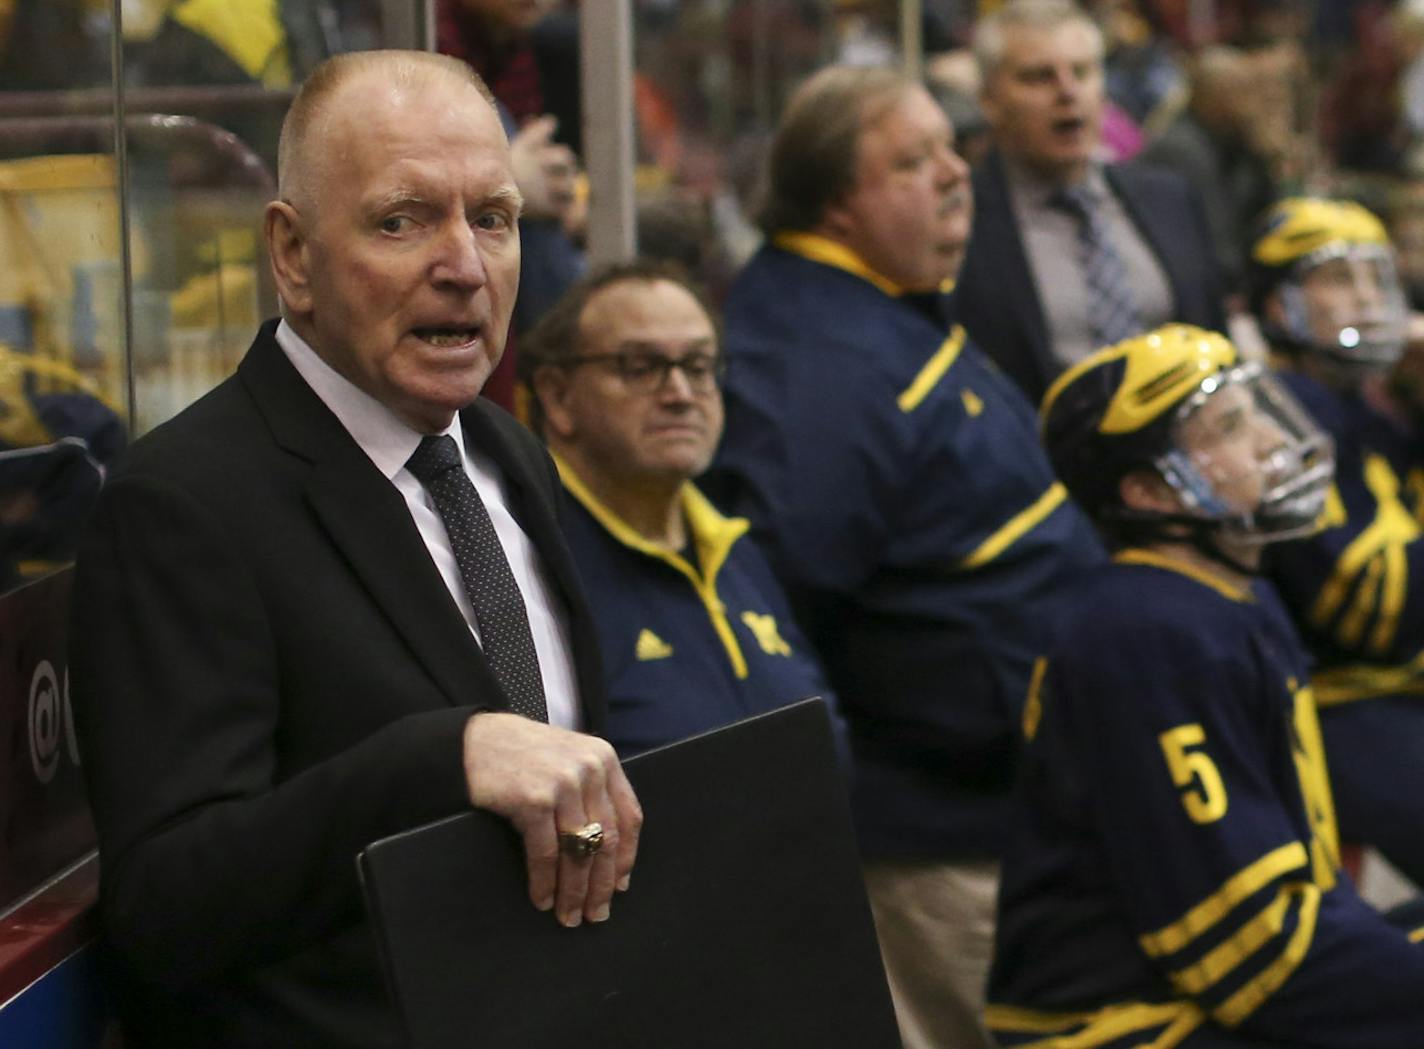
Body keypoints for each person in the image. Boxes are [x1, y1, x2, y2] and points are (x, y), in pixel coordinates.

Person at [69, 50, 641, 1049]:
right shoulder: (183, 503)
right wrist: (443, 754)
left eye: (494, 219)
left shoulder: (503, 451)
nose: (463, 264)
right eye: (401, 220)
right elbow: (166, 906)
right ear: (291, 254)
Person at [704, 64, 1104, 1049]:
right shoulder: (817, 361)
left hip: (1000, 804)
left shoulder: (876, 310)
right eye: (912, 160)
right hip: (928, 834)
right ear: (838, 199)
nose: (954, 174)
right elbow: (787, 603)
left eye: (948, 149)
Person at [990, 323, 1424, 1049]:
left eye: (1257, 408)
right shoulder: (1145, 636)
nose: (1267, 441)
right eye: (1227, 427)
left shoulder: (1226, 591)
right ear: (1152, 491)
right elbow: (1250, 949)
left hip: (1210, 988)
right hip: (1117, 1025)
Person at [521, 261, 843, 757]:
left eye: (698, 366)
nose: (679, 394)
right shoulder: (530, 562)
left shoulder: (733, 547)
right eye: (641, 367)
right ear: (558, 396)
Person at [1250, 197, 1424, 888]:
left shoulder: (1361, 404)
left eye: (1377, 278)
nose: (1368, 300)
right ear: (1278, 307)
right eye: (1338, 279)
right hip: (1338, 708)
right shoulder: (1282, 416)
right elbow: (1379, 607)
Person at [955, 0, 1227, 406]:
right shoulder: (960, 222)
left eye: (1082, 72)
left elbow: (1215, 343)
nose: (1067, 92)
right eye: (1037, 77)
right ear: (990, 100)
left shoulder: (1170, 198)